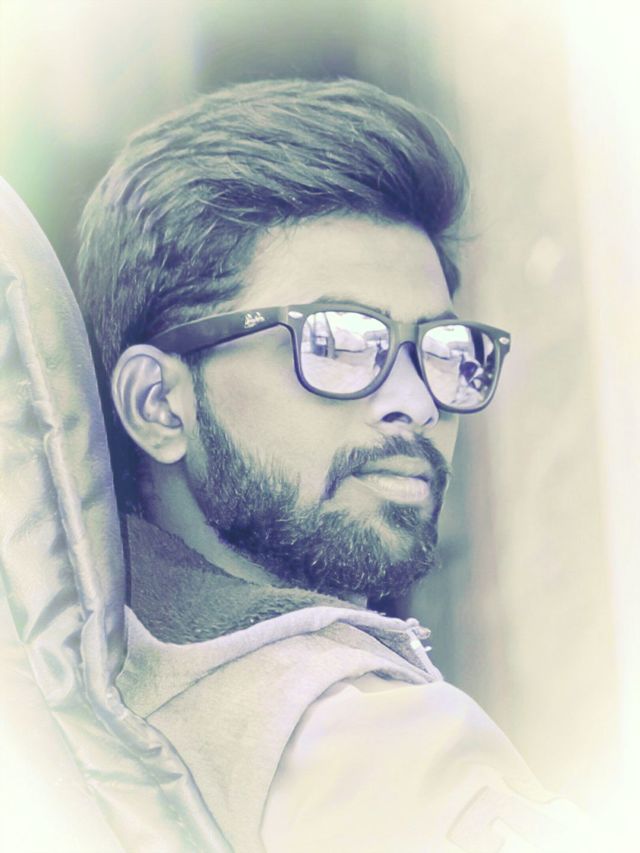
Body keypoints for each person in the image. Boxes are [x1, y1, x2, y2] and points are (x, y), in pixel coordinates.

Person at [76, 78, 578, 852]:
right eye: (339, 341)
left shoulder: (94, 687)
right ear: (159, 403)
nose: (415, 402)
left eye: (444, 350)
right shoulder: (401, 752)